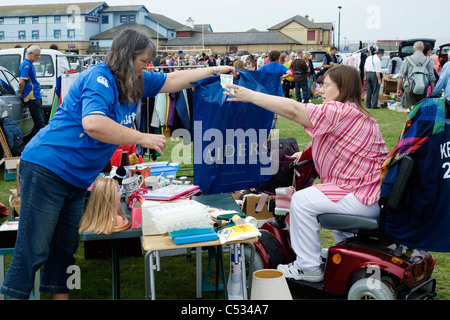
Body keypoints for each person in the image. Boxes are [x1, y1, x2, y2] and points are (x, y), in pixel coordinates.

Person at [0, 28, 236, 300]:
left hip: (76, 178)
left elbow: (172, 80)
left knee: (64, 246)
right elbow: (93, 124)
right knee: (34, 246)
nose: (147, 66)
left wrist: (214, 71)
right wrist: (142, 137)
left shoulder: (134, 79)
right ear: (126, 57)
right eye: (143, 61)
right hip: (47, 168)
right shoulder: (98, 78)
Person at [224, 65, 389, 282]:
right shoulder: (359, 113)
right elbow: (341, 144)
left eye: (327, 85)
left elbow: (293, 110)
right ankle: (343, 250)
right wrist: (305, 153)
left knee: (301, 200)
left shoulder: (337, 111)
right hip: (371, 192)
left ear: (342, 88)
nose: (320, 89)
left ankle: (308, 267)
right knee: (315, 197)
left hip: (360, 195)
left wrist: (251, 96)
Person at [396, 41, 436, 109]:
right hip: (423, 89)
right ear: (423, 49)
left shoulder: (407, 59)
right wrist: (432, 91)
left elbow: (401, 76)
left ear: (413, 49)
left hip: (409, 88)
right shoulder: (428, 61)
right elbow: (432, 78)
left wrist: (399, 89)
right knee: (420, 110)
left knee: (411, 110)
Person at [19, 45, 46, 135]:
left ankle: (33, 141)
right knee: (40, 122)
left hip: (36, 95)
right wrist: (21, 93)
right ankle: (43, 144)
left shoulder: (29, 64)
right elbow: (21, 81)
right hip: (32, 96)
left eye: (38, 55)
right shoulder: (27, 65)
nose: (37, 57)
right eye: (36, 55)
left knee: (39, 121)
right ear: (29, 54)